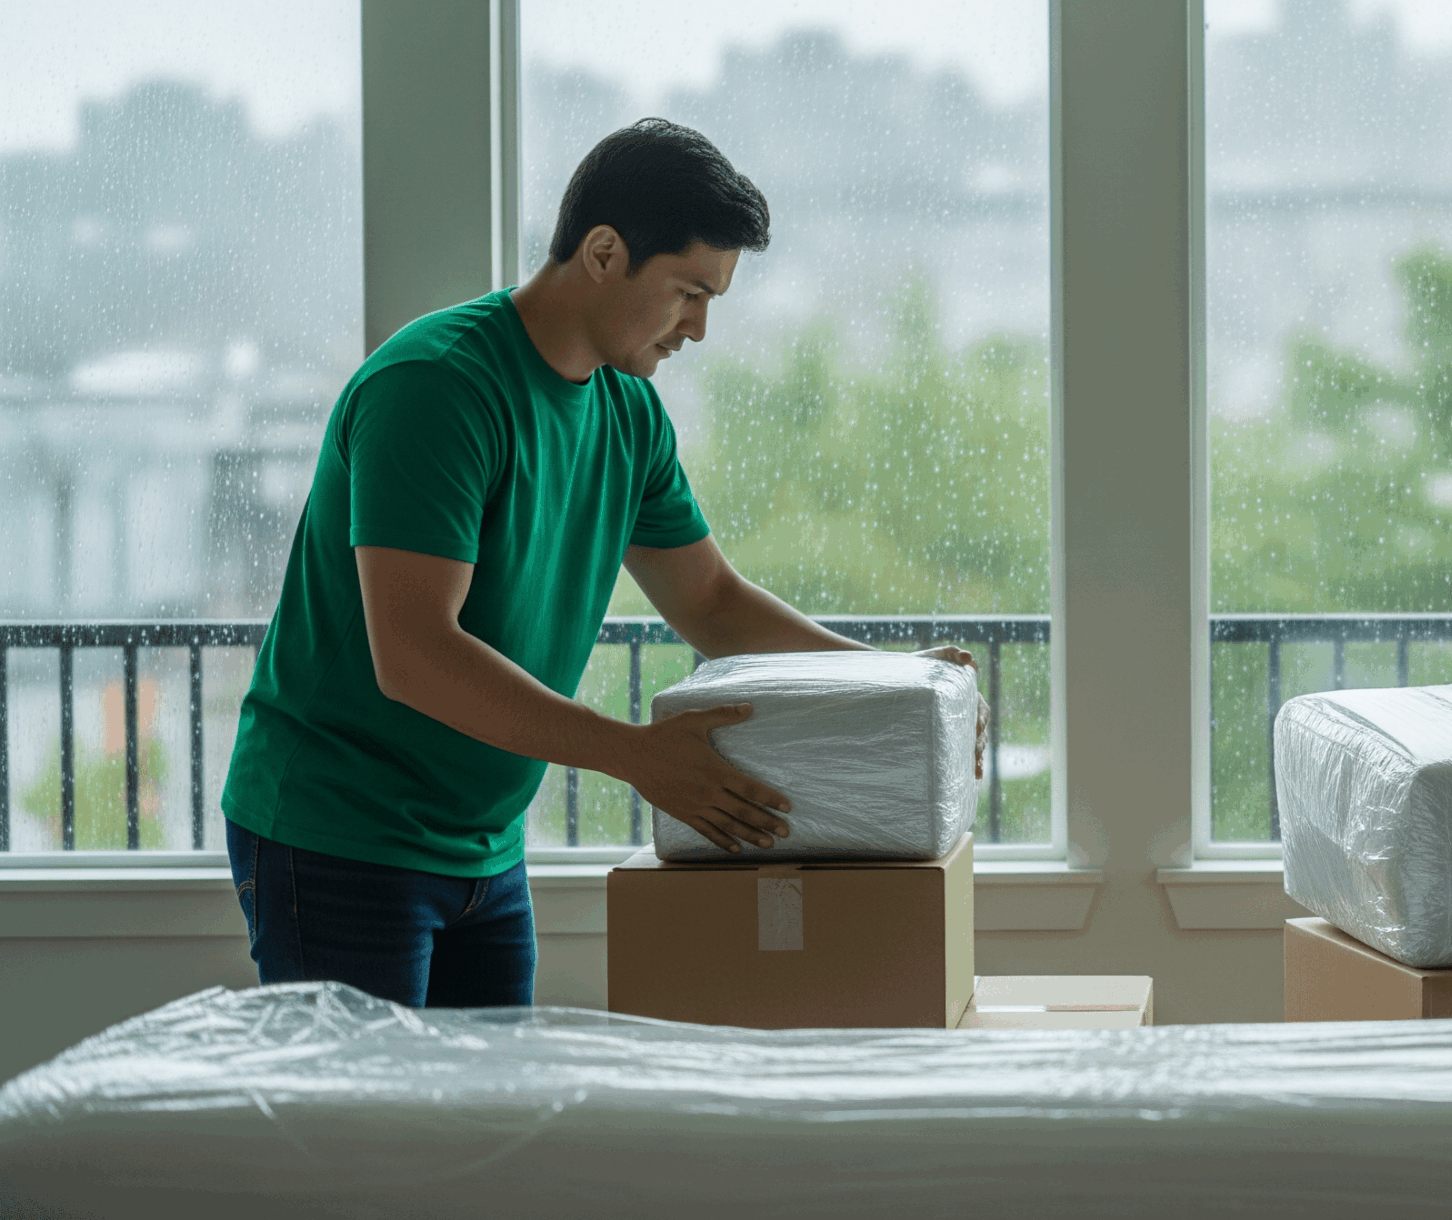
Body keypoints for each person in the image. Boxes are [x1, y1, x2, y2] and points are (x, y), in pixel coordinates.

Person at [221, 118, 984, 1011]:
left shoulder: (629, 414)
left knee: (493, 1140)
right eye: (688, 292)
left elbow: (712, 603)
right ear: (604, 251)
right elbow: (414, 653)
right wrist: (637, 757)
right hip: (339, 834)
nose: (698, 328)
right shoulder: (436, 388)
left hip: (484, 845)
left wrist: (896, 680)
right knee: (368, 1146)